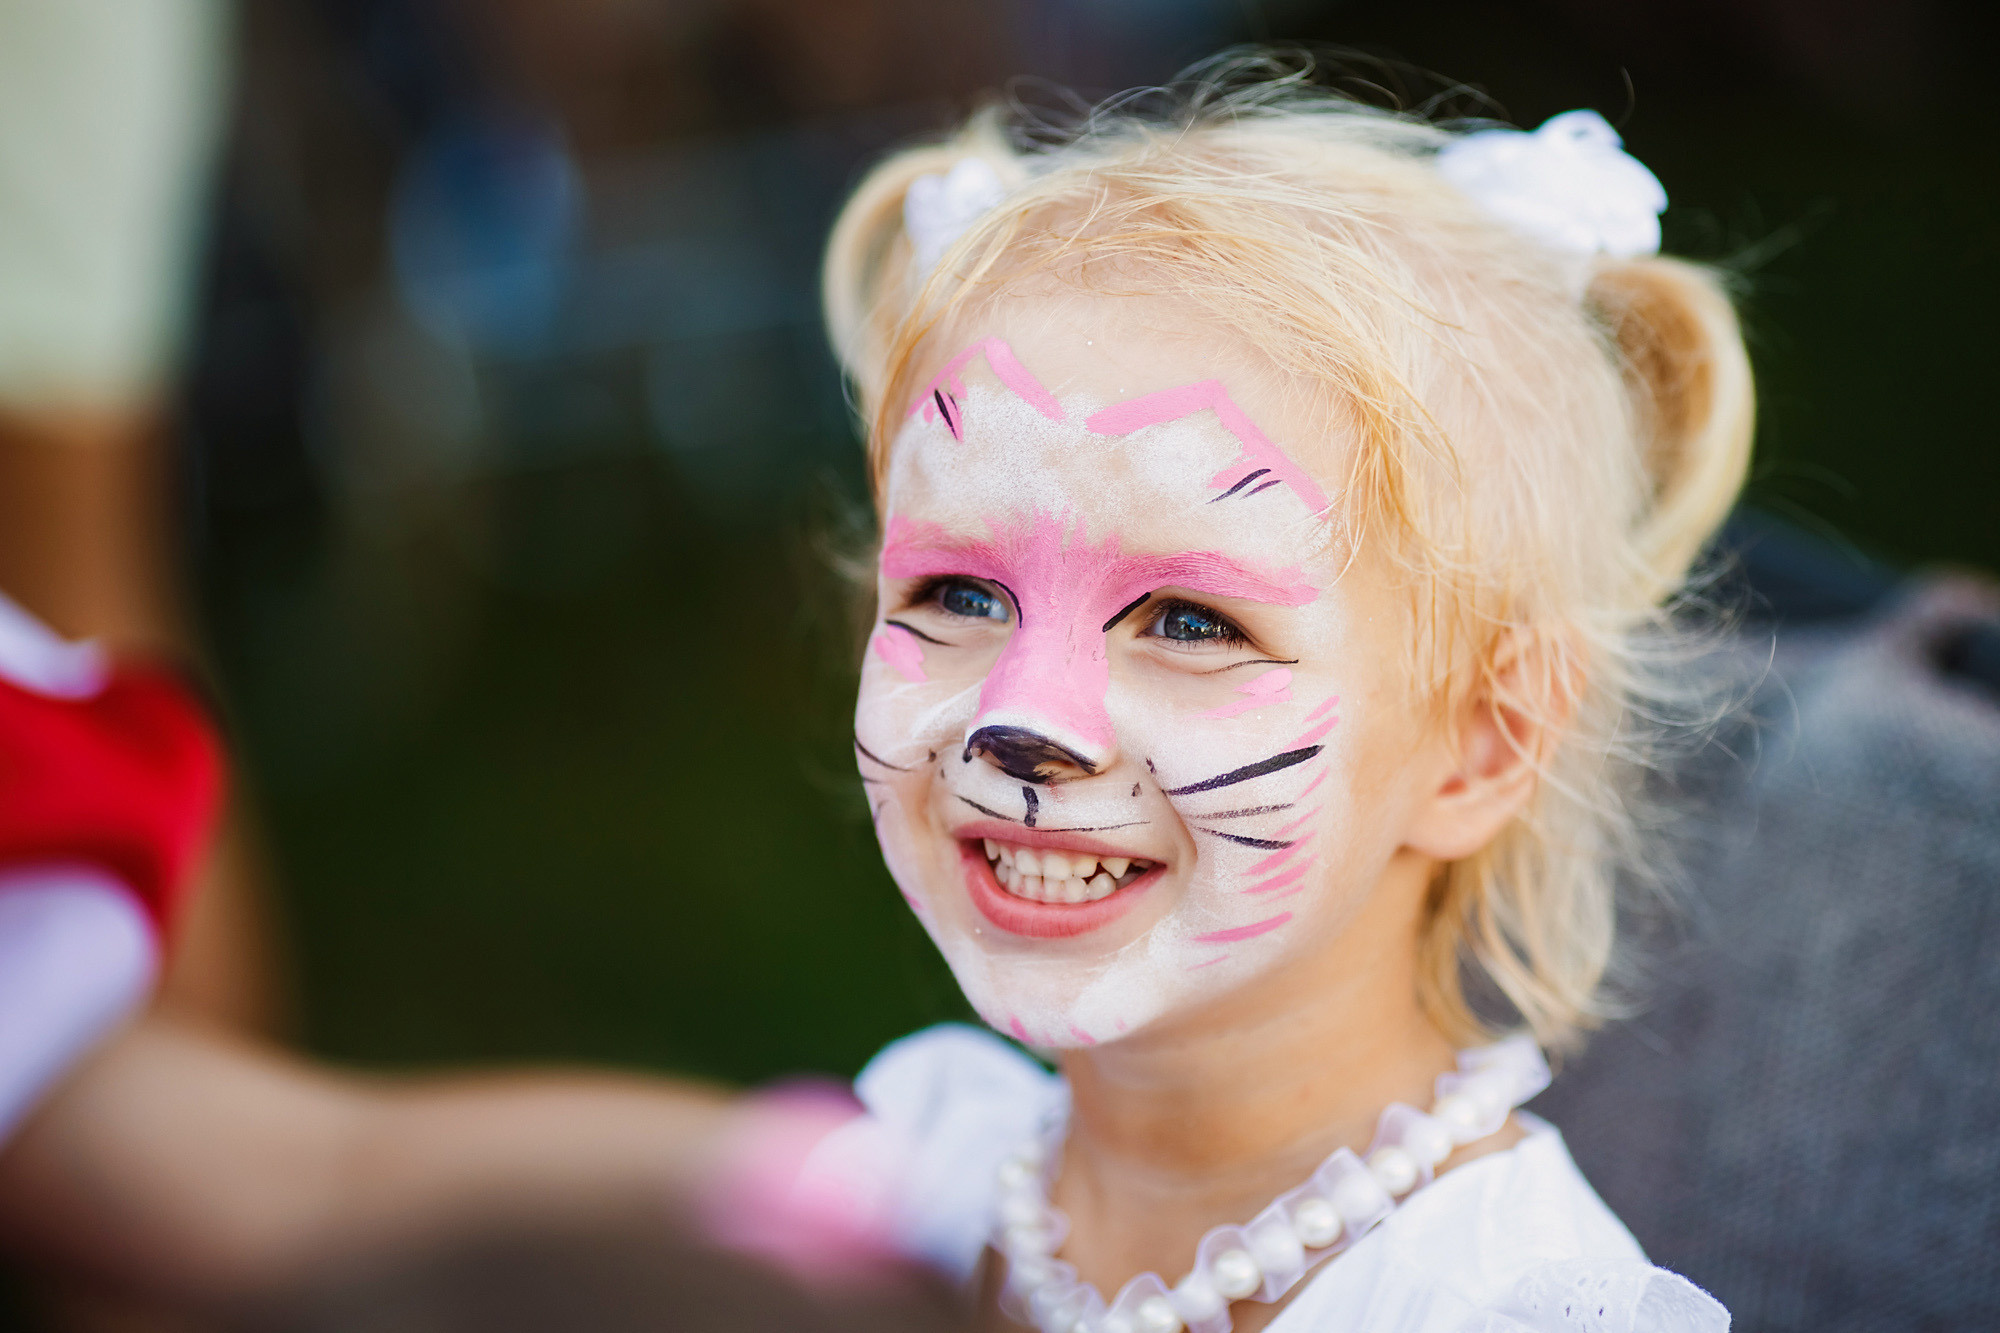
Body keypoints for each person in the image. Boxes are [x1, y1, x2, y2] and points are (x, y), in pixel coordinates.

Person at [815, 55, 1751, 1332]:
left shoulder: (1507, 1311)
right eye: (959, 595)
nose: (1018, 723)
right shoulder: (904, 1193)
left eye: (1191, 621)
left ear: (1483, 742)